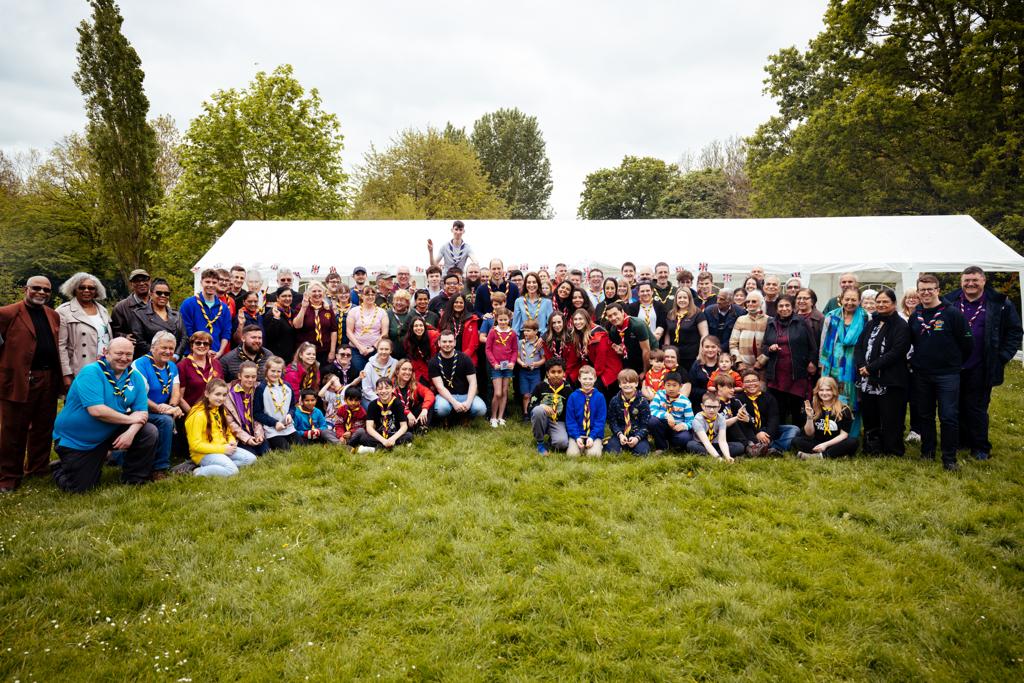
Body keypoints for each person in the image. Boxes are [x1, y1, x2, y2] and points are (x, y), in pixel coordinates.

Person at [51, 337, 157, 492]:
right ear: (106, 352)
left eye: (128, 354)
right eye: (119, 353)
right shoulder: (91, 372)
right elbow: (97, 411)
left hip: (108, 431)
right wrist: (129, 419)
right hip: (77, 439)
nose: (124, 358)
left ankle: (135, 479)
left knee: (149, 432)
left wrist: (130, 433)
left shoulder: (135, 377)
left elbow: (141, 411)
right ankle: (59, 468)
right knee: (80, 488)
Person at [947, 266, 1023, 460]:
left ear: (983, 281)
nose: (970, 284)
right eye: (966, 280)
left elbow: (1015, 331)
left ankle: (980, 447)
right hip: (953, 366)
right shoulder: (950, 301)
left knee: (977, 408)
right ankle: (961, 441)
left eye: (975, 280)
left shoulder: (1000, 303)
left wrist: (1003, 356)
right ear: (961, 282)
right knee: (956, 407)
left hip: (982, 365)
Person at [0, 276, 63, 491]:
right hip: (19, 380)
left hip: (48, 378)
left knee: (44, 426)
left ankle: (37, 467)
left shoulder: (53, 316)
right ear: (26, 289)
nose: (42, 293)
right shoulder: (7, 313)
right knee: (13, 429)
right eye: (37, 288)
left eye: (46, 290)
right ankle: (9, 475)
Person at [908, 273, 973, 470]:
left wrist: (954, 363)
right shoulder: (915, 315)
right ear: (918, 292)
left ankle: (949, 458)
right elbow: (911, 341)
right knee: (925, 415)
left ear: (938, 290)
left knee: (948, 416)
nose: (926, 293)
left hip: (947, 374)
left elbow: (967, 342)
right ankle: (927, 452)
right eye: (922, 290)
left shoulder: (952, 313)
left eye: (930, 289)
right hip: (922, 373)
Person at [854, 287, 911, 456]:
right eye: (878, 301)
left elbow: (897, 351)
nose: (881, 304)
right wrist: (861, 365)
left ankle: (892, 450)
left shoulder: (901, 325)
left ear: (893, 304)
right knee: (871, 415)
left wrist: (870, 368)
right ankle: (873, 448)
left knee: (891, 417)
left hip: (889, 379)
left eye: (885, 301)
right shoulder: (872, 322)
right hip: (868, 379)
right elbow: (859, 346)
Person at [130, 331, 183, 479]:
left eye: (171, 348)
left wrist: (172, 406)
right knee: (165, 421)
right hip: (138, 409)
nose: (168, 351)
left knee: (176, 416)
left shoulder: (171, 366)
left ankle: (179, 454)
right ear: (153, 348)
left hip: (162, 408)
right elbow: (139, 396)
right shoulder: (139, 365)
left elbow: (176, 391)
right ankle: (159, 468)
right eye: (164, 347)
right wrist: (161, 409)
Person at [184, 378, 259, 477]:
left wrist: (231, 440)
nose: (221, 398)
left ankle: (221, 468)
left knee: (251, 459)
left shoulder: (219, 409)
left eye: (224, 395)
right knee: (233, 471)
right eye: (217, 394)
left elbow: (227, 431)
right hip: (204, 454)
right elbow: (195, 445)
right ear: (207, 394)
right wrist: (222, 449)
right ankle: (197, 471)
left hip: (223, 448)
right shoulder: (198, 415)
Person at [762, 295, 818, 426]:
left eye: (787, 305)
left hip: (796, 372)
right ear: (776, 308)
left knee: (796, 406)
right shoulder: (770, 323)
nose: (784, 308)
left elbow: (813, 346)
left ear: (793, 307)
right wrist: (769, 348)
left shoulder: (802, 322)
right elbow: (764, 346)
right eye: (781, 306)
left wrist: (812, 362)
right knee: (778, 407)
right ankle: (780, 435)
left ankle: (797, 435)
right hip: (776, 373)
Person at [818, 288, 867, 434]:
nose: (850, 303)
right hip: (832, 366)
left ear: (859, 301)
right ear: (841, 299)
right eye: (847, 299)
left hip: (855, 367)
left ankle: (851, 434)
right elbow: (823, 342)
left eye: (854, 300)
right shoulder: (831, 317)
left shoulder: (866, 317)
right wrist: (822, 365)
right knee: (832, 397)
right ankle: (833, 433)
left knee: (854, 400)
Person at [57, 272, 114, 384]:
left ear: (96, 291)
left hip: (104, 367)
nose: (86, 290)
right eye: (82, 287)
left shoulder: (103, 310)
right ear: (74, 289)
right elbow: (60, 346)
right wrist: (66, 374)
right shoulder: (63, 311)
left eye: (91, 288)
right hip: (79, 368)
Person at [735, 369, 799, 455]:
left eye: (754, 380)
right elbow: (743, 423)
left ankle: (771, 447)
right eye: (747, 381)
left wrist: (768, 435)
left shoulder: (769, 398)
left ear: (759, 382)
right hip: (750, 431)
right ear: (742, 384)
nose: (751, 384)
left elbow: (774, 419)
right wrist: (757, 432)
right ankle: (768, 448)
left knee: (793, 429)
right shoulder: (738, 399)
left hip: (766, 430)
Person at [794, 377, 859, 459]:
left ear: (834, 391)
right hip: (816, 442)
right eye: (821, 390)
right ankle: (835, 454)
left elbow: (844, 435)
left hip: (835, 443)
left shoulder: (844, 409)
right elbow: (809, 434)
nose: (824, 393)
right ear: (817, 391)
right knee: (796, 440)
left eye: (828, 390)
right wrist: (809, 417)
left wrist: (825, 445)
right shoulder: (811, 406)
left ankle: (820, 456)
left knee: (853, 442)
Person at [429, 330, 487, 420]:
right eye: (444, 341)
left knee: (481, 409)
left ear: (455, 343)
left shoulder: (465, 358)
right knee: (441, 409)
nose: (447, 344)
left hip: (465, 395)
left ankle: (466, 416)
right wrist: (454, 403)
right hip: (445, 396)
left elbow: (473, 383)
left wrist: (468, 402)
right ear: (439, 343)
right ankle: (448, 418)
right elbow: (440, 387)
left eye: (450, 341)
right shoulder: (433, 362)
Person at [563, 309, 622, 397]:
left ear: (587, 320)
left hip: (608, 368)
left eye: (580, 319)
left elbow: (600, 360)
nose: (577, 322)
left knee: (593, 387)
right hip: (591, 367)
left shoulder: (599, 334)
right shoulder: (576, 335)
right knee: (571, 378)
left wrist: (590, 377)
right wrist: (565, 374)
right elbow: (573, 359)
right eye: (575, 319)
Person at [179, 269, 232, 358]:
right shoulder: (189, 304)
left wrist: (220, 352)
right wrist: (201, 351)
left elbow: (226, 333)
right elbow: (186, 331)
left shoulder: (224, 308)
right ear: (201, 282)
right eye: (207, 282)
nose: (210, 285)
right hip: (193, 355)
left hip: (215, 356)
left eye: (214, 282)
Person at [350, 378, 412, 451]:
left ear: (393, 389)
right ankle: (391, 448)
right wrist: (383, 441)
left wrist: (392, 439)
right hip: (378, 436)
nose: (383, 391)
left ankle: (373, 449)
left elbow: (404, 426)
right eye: (380, 389)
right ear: (376, 391)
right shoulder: (372, 405)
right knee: (363, 437)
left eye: (387, 388)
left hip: (393, 435)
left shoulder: (398, 403)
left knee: (409, 436)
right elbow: (369, 427)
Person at [130, 278, 185, 359]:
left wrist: (176, 355)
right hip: (149, 361)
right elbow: (139, 341)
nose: (163, 295)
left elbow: (184, 338)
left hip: (174, 361)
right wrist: (160, 355)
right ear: (151, 294)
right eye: (159, 293)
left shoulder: (177, 314)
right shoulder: (139, 314)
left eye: (166, 293)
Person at [528, 358, 573, 454]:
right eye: (553, 372)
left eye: (559, 372)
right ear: (548, 373)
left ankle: (551, 440)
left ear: (564, 373)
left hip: (558, 422)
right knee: (538, 410)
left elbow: (570, 412)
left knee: (562, 444)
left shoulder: (568, 389)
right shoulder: (540, 387)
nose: (556, 375)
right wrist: (542, 406)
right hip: (542, 419)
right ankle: (540, 442)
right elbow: (530, 407)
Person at [224, 361, 268, 455]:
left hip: (256, 430)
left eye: (253, 377)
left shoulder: (259, 390)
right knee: (252, 455)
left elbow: (259, 415)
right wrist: (246, 438)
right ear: (240, 376)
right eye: (247, 376)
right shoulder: (229, 395)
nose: (250, 380)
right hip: (239, 435)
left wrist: (259, 434)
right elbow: (230, 422)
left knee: (265, 452)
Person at [254, 355, 296, 451]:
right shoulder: (261, 389)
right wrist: (274, 423)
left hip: (288, 428)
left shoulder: (287, 387)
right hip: (272, 430)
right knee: (287, 450)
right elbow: (257, 413)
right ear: (266, 370)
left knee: (301, 448)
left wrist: (290, 414)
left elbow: (292, 407)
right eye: (272, 371)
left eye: (278, 371)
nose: (275, 374)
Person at [605, 368, 651, 456]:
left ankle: (635, 445)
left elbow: (645, 424)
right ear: (619, 385)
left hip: (637, 434)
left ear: (637, 383)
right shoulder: (614, 401)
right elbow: (612, 422)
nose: (627, 385)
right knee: (611, 452)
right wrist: (620, 435)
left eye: (631, 382)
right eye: (624, 383)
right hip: (620, 434)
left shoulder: (642, 401)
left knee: (642, 452)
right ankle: (620, 445)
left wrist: (637, 437)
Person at [485, 307, 518, 427]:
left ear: (509, 319)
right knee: (497, 393)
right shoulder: (493, 332)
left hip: (507, 367)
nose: (503, 322)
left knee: (504, 392)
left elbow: (515, 350)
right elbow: (488, 349)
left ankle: (501, 417)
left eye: (505, 320)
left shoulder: (512, 333)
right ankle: (493, 417)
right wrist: (494, 363)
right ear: (496, 319)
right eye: (501, 320)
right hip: (496, 367)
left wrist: (513, 362)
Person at [177, 331, 224, 413]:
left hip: (215, 411)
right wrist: (194, 415)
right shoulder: (182, 366)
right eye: (198, 343)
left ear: (209, 347)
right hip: (192, 413)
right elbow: (179, 397)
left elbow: (222, 390)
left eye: (205, 344)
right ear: (192, 346)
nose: (202, 346)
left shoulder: (216, 363)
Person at [346, 285, 389, 374]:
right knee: (360, 372)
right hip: (357, 350)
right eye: (367, 294)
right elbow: (349, 331)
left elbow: (384, 333)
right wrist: (360, 347)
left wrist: (373, 347)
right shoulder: (354, 311)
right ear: (362, 296)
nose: (370, 296)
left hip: (376, 350)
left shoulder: (382, 312)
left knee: (375, 373)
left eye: (373, 294)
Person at [565, 365, 606, 456]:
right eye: (585, 378)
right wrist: (576, 437)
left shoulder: (600, 397)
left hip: (594, 434)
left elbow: (600, 421)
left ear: (595, 379)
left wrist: (592, 437)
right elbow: (570, 420)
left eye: (590, 379)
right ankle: (579, 445)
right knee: (572, 455)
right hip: (578, 434)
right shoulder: (573, 397)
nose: (587, 382)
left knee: (593, 455)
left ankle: (597, 444)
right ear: (579, 378)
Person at [647, 371, 693, 452]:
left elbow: (691, 421)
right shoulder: (660, 394)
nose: (671, 388)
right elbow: (651, 410)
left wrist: (684, 425)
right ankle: (661, 446)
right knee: (652, 421)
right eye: (668, 385)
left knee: (685, 438)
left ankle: (671, 443)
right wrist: (666, 415)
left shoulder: (685, 401)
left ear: (680, 386)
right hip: (662, 426)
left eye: (674, 385)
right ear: (664, 385)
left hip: (676, 429)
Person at [687, 393, 741, 461]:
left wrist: (728, 456)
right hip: (702, 444)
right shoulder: (697, 419)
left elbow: (722, 441)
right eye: (708, 406)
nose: (712, 410)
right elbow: (706, 442)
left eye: (715, 407)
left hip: (716, 444)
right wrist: (718, 458)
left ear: (719, 407)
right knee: (691, 445)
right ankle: (716, 455)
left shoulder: (721, 418)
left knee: (739, 446)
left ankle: (713, 454)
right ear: (702, 406)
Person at [292, 281, 337, 364]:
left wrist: (332, 351)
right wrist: (304, 308)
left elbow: (333, 331)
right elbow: (297, 326)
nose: (317, 294)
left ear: (323, 293)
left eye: (319, 291)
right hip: (306, 352)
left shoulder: (328, 309)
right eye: (314, 291)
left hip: (324, 351)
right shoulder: (301, 306)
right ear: (309, 293)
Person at [664, 288, 708, 371]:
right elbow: (668, 334)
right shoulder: (671, 314)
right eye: (679, 298)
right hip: (674, 356)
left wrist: (701, 354)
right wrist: (666, 351)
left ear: (689, 299)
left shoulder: (698, 313)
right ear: (676, 299)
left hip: (691, 356)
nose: (682, 300)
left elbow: (704, 335)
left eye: (685, 297)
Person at [605, 302, 653, 376]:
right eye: (610, 316)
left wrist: (645, 372)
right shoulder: (614, 330)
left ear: (622, 312)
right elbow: (622, 349)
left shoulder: (637, 325)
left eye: (615, 314)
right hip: (632, 359)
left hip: (649, 359)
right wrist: (620, 350)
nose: (613, 318)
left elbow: (646, 350)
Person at [730, 290, 769, 372]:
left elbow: (771, 344)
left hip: (763, 368)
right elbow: (733, 344)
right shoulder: (740, 320)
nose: (750, 304)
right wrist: (739, 362)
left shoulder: (769, 320)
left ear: (761, 303)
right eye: (748, 301)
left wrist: (761, 361)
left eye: (754, 301)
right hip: (743, 368)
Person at [393, 359, 434, 431]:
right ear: (397, 371)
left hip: (412, 416)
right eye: (404, 369)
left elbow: (429, 393)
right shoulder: (390, 385)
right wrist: (407, 412)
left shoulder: (414, 384)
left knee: (428, 403)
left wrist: (425, 409)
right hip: (398, 417)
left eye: (410, 370)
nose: (407, 372)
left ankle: (422, 428)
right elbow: (394, 405)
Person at [110, 269, 150, 339]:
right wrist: (124, 337)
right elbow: (113, 332)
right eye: (137, 281)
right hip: (134, 348)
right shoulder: (120, 308)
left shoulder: (158, 303)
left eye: (144, 279)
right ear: (131, 284)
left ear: (150, 281)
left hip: (158, 348)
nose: (141, 283)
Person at [438, 293, 481, 359]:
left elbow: (474, 343)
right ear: (452, 303)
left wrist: (462, 358)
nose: (458, 304)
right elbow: (439, 337)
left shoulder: (472, 319)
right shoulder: (444, 318)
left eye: (461, 303)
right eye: (456, 302)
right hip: (446, 357)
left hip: (466, 359)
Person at [517, 320, 545, 419]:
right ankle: (525, 413)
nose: (525, 333)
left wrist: (537, 363)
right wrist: (521, 363)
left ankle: (533, 412)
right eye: (524, 331)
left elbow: (543, 359)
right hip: (524, 372)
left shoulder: (539, 344)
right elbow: (518, 357)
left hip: (535, 372)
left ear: (536, 331)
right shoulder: (521, 343)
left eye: (528, 331)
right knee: (526, 394)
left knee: (534, 394)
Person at [264, 287, 298, 362]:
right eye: (284, 296)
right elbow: (270, 335)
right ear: (277, 298)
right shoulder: (271, 314)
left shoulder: (293, 312)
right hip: (277, 357)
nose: (287, 298)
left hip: (290, 355)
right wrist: (276, 319)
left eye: (289, 296)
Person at [361, 338, 399, 404]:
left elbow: (397, 384)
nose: (383, 352)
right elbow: (366, 388)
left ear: (391, 351)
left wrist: (389, 398)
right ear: (377, 350)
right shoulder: (369, 365)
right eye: (381, 349)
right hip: (372, 397)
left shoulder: (395, 364)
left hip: (391, 397)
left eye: (386, 349)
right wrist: (379, 400)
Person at [403, 317, 439, 386]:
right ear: (412, 328)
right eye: (416, 326)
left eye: (421, 325)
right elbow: (414, 360)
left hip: (435, 365)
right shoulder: (408, 341)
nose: (419, 328)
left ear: (424, 327)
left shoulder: (433, 336)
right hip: (420, 368)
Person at [688, 335, 721, 407]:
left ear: (718, 348)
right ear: (702, 348)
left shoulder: (724, 363)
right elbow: (692, 388)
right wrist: (707, 392)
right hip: (700, 403)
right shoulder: (697, 365)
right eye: (707, 347)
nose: (710, 349)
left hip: (721, 402)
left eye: (713, 347)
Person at [386, 289, 416, 356]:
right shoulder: (388, 313)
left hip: (410, 351)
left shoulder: (413, 313)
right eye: (396, 300)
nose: (398, 302)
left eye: (402, 300)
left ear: (408, 302)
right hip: (392, 352)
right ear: (393, 302)